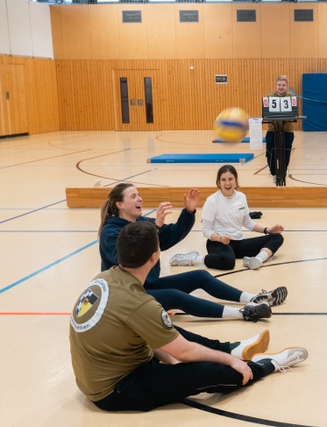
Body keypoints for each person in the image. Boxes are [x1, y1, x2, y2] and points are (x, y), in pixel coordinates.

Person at [70, 221, 308, 412]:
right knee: (211, 372)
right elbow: (183, 352)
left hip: (103, 371)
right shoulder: (141, 304)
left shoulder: (104, 277)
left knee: (172, 333)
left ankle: (231, 349)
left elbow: (141, 333)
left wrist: (173, 359)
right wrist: (208, 363)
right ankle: (265, 365)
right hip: (116, 390)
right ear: (155, 256)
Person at [98, 183, 287, 323]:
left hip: (150, 285)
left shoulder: (142, 224)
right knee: (175, 296)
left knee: (200, 276)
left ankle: (251, 298)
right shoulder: (110, 232)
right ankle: (243, 313)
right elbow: (129, 258)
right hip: (129, 295)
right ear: (119, 205)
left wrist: (188, 212)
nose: (139, 199)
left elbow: (172, 235)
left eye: (139, 195)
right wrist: (155, 227)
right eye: (133, 196)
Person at [170, 165, 285, 271]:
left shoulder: (241, 197)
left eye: (230, 179)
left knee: (277, 237)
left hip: (238, 242)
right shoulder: (212, 201)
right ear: (219, 182)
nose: (227, 183)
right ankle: (193, 258)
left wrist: (268, 230)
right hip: (217, 243)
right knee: (228, 262)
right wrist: (220, 238)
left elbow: (247, 222)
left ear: (236, 181)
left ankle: (257, 260)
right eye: (223, 180)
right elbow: (206, 231)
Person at [265, 75, 296, 183]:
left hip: (287, 130)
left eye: (283, 85)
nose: (281, 87)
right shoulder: (269, 97)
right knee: (270, 153)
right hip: (272, 130)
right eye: (279, 85)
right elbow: (266, 113)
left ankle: (282, 173)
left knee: (285, 153)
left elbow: (294, 113)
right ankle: (274, 173)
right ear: (276, 85)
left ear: (287, 86)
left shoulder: (291, 97)